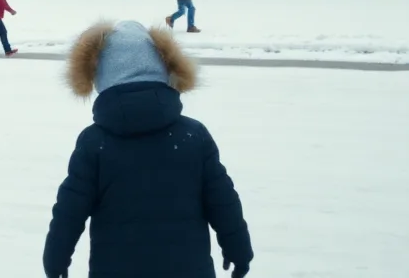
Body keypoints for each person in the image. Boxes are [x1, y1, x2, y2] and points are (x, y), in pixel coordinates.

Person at [43, 21, 252, 278]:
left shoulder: (94, 143)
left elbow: (70, 210)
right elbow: (223, 201)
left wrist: (56, 259)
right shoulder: (193, 136)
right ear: (163, 70)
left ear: (101, 77)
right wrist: (239, 250)